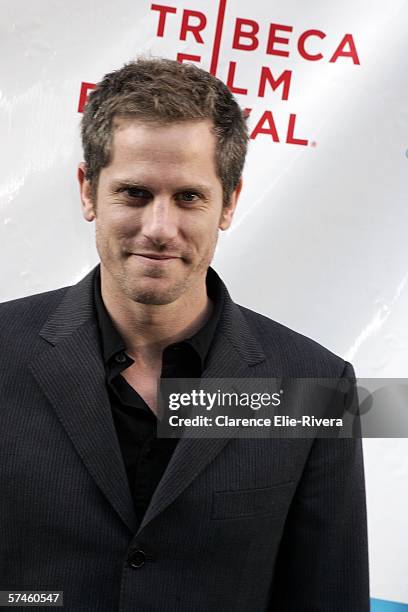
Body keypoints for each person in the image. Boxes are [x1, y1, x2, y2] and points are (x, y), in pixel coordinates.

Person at [0, 57, 369, 611]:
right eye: (134, 193)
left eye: (189, 197)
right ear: (87, 191)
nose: (159, 229)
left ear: (230, 201)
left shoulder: (316, 386)